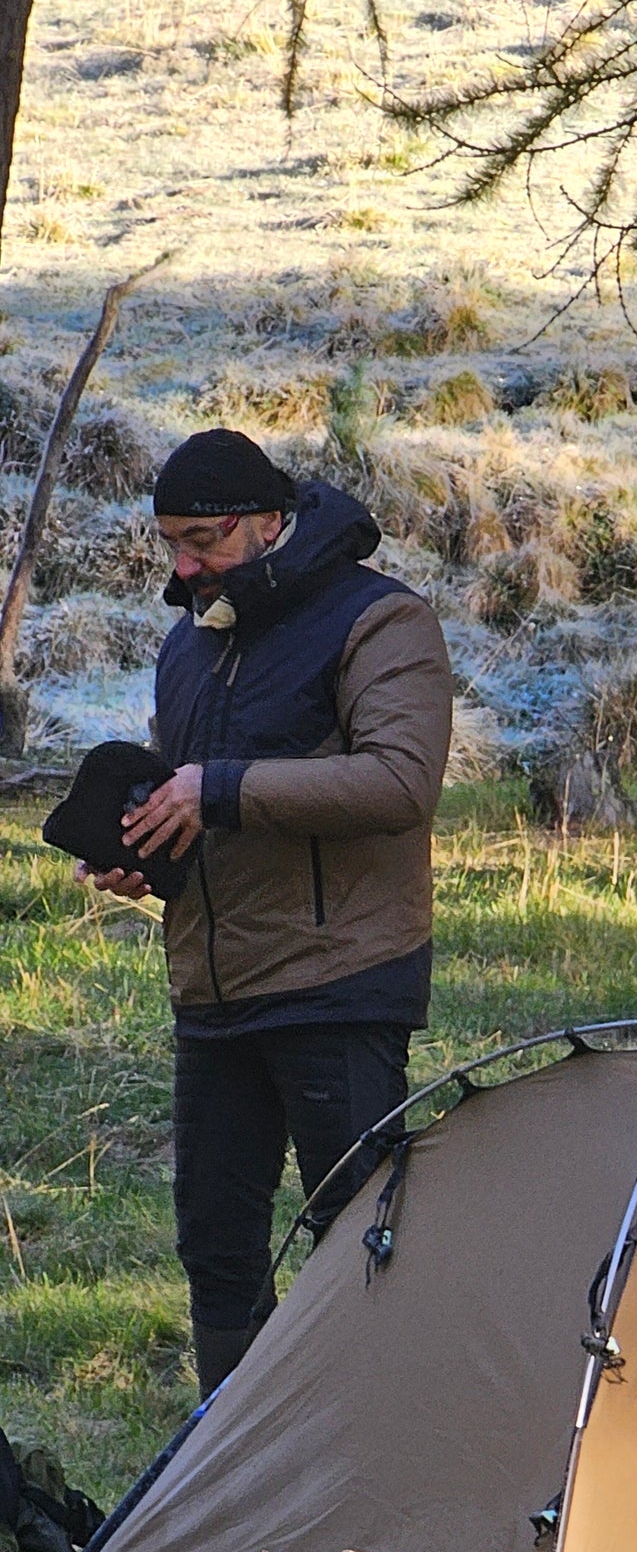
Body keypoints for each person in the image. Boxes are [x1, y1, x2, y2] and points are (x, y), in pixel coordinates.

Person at [86, 427, 453, 1401]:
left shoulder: (382, 622)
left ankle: (374, 1466)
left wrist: (217, 787)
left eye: (201, 539)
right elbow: (213, 807)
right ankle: (235, 1485)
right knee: (216, 1251)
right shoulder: (189, 641)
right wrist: (153, 862)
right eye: (169, 541)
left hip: (337, 984)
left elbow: (398, 783)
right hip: (212, 992)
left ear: (269, 522)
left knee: (361, 1248)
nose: (182, 564)